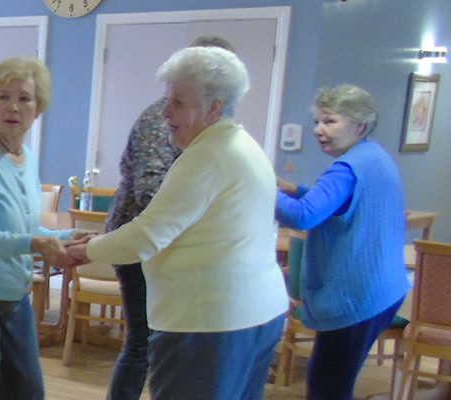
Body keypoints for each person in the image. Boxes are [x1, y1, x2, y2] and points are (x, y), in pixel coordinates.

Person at [64, 46, 290, 400]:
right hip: (256, 313)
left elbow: (147, 236)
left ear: (213, 107)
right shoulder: (244, 145)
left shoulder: (206, 157)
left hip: (210, 321)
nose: (165, 112)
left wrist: (85, 250)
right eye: (167, 100)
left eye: (178, 103)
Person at [0, 55, 87, 400]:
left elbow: (26, 228)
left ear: (38, 108)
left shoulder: (26, 156)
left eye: (24, 98)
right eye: (3, 97)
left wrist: (67, 238)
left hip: (15, 297)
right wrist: (36, 244)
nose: (13, 107)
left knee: (28, 392)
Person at [101, 36, 233, 400]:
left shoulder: (211, 127)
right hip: (137, 243)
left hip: (162, 244)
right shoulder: (162, 120)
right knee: (143, 342)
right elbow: (149, 191)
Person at [275, 84, 408, 400]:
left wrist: (257, 185)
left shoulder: (346, 169)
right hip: (383, 290)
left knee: (327, 387)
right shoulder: (374, 157)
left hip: (357, 297)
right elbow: (340, 206)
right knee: (333, 382)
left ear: (359, 126)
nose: (319, 130)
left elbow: (303, 217)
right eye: (318, 122)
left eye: (330, 121)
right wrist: (295, 190)